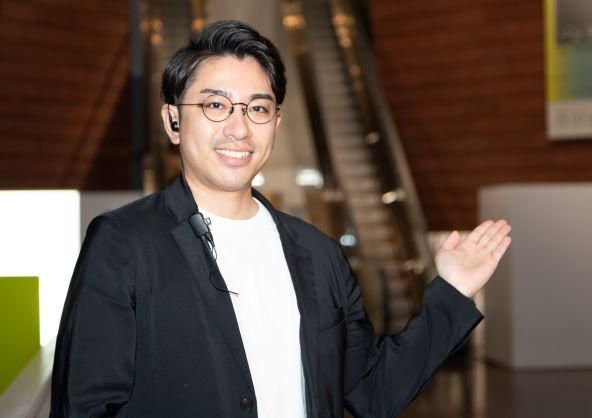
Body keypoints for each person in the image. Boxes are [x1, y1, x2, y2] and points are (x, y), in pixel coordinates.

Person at [50, 20, 511, 418]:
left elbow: (372, 390)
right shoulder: (125, 243)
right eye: (215, 105)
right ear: (173, 120)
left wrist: (453, 292)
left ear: (276, 122)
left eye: (258, 108)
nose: (238, 128)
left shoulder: (317, 254)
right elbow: (85, 406)